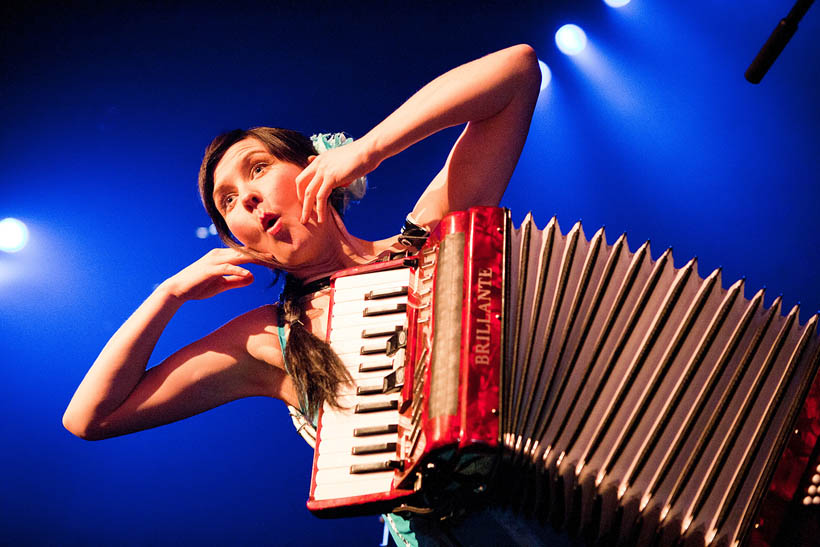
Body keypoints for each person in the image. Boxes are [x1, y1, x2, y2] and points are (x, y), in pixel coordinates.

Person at [63, 44, 542, 545]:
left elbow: (516, 71)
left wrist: (369, 148)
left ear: (316, 168)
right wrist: (168, 295)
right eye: (228, 202)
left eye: (257, 168)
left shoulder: (431, 240)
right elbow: (91, 418)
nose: (246, 197)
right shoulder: (266, 339)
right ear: (240, 238)